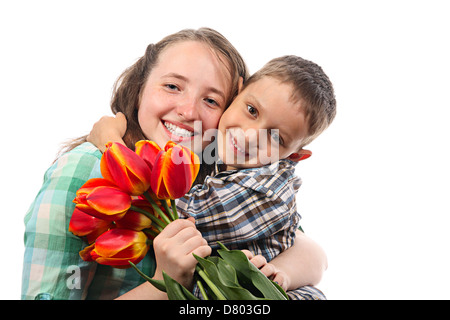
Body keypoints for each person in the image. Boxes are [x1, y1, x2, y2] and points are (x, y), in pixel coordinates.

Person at [22, 28, 326, 300]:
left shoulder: (218, 173)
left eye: (211, 101)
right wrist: (165, 283)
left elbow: (310, 252)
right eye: (172, 86)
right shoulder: (85, 169)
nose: (188, 111)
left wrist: (273, 275)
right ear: (140, 86)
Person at [89, 55, 335, 299]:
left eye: (275, 138)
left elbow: (168, 211)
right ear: (236, 93)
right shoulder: (221, 162)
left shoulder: (264, 188)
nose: (250, 137)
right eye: (251, 110)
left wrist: (112, 145)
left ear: (294, 156)